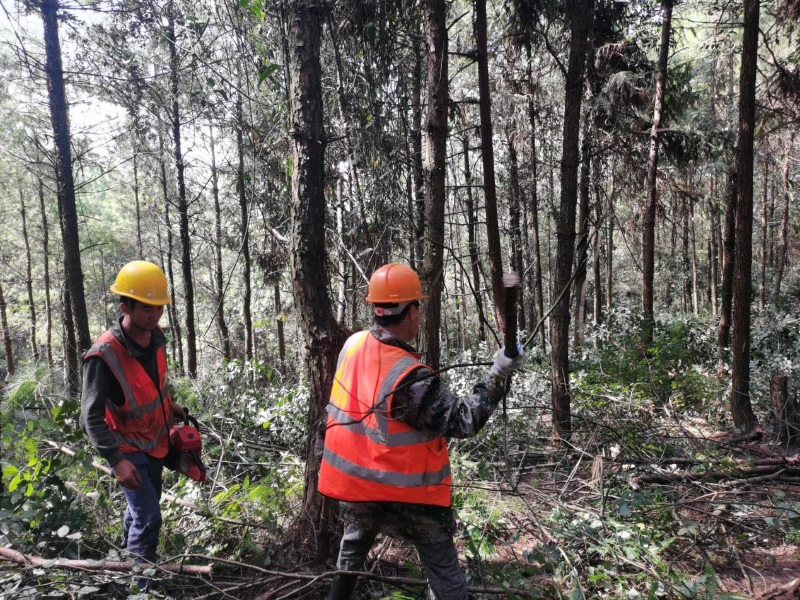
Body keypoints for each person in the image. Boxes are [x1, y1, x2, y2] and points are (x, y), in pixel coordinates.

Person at [318, 263, 525, 600]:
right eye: (419, 306)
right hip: (408, 496)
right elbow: (463, 420)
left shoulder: (352, 345)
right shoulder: (409, 376)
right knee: (444, 569)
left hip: (356, 487)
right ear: (411, 310)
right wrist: (498, 374)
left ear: (377, 308)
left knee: (354, 543)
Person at [79, 260, 186, 588]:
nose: (154, 316)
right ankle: (143, 589)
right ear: (125, 306)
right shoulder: (104, 355)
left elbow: (153, 385)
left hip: (156, 443)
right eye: (146, 308)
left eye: (159, 308)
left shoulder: (155, 338)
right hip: (127, 448)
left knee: (140, 513)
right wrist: (116, 460)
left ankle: (125, 566)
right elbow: (89, 416)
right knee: (150, 517)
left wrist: (172, 406)